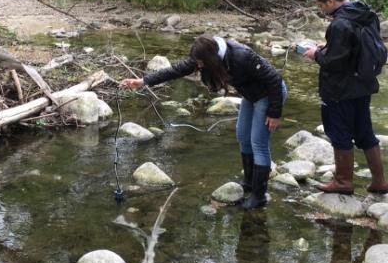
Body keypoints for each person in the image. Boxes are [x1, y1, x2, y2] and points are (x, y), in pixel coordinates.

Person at [120, 35, 286, 209]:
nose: (198, 66)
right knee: (243, 136)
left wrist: (274, 113)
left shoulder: (241, 56)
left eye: (200, 62)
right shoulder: (206, 57)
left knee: (258, 142)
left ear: (211, 59)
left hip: (269, 95)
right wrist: (143, 81)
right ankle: (249, 183)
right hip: (251, 95)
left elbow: (274, 79)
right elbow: (176, 70)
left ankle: (259, 197)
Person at [301, 0, 388, 195]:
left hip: (340, 89)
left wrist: (316, 54)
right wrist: (329, 47)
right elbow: (356, 48)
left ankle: (343, 182)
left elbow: (334, 62)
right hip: (363, 84)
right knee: (364, 132)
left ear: (330, 1)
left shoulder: (339, 23)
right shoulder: (365, 13)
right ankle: (379, 182)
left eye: (321, 6)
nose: (322, 10)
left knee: (339, 132)